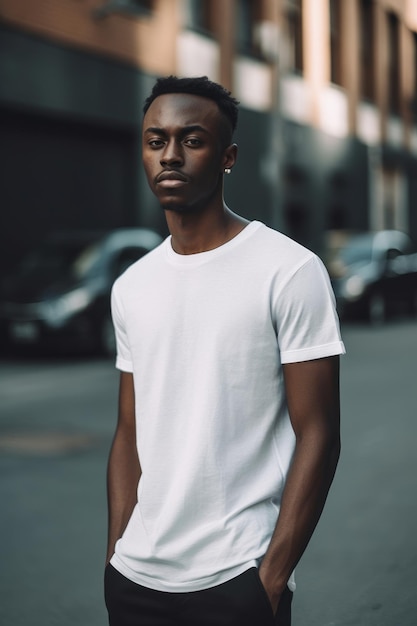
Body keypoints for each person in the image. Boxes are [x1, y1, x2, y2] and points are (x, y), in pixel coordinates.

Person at [105, 75, 345, 626]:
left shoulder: (288, 271)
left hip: (238, 578)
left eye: (192, 140)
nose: (170, 155)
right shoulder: (132, 286)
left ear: (228, 156)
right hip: (135, 579)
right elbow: (128, 431)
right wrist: (116, 551)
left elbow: (320, 434)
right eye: (155, 140)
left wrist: (271, 577)